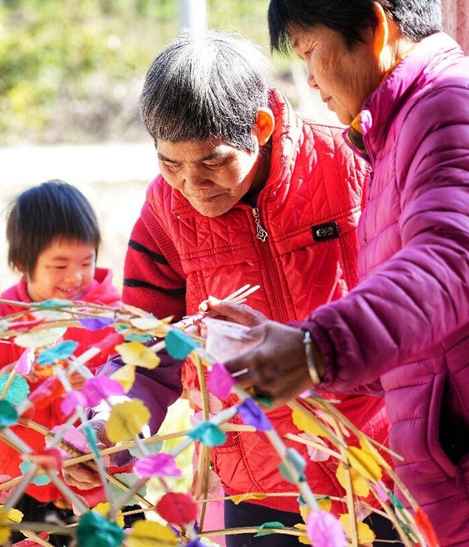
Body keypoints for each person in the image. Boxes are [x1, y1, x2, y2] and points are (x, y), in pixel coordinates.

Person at [216, 0, 469, 545]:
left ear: (376, 27)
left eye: (311, 52)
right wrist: (295, 350)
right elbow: (421, 348)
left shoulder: (453, 106)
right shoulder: (399, 134)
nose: (311, 80)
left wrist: (313, 348)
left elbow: (448, 268)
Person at [66, 30, 397, 546]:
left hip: (378, 466)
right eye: (170, 163)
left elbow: (410, 315)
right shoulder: (166, 212)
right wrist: (110, 423)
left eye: (212, 162)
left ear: (260, 127)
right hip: (258, 490)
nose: (192, 185)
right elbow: (147, 349)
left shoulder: (353, 168)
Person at [0, 180, 121, 546]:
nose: (76, 276)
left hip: (99, 485)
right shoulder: (0, 320)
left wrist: (96, 386)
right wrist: (4, 383)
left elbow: (136, 387)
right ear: (22, 263)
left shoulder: (109, 317)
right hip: (19, 487)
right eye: (59, 265)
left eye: (86, 261)